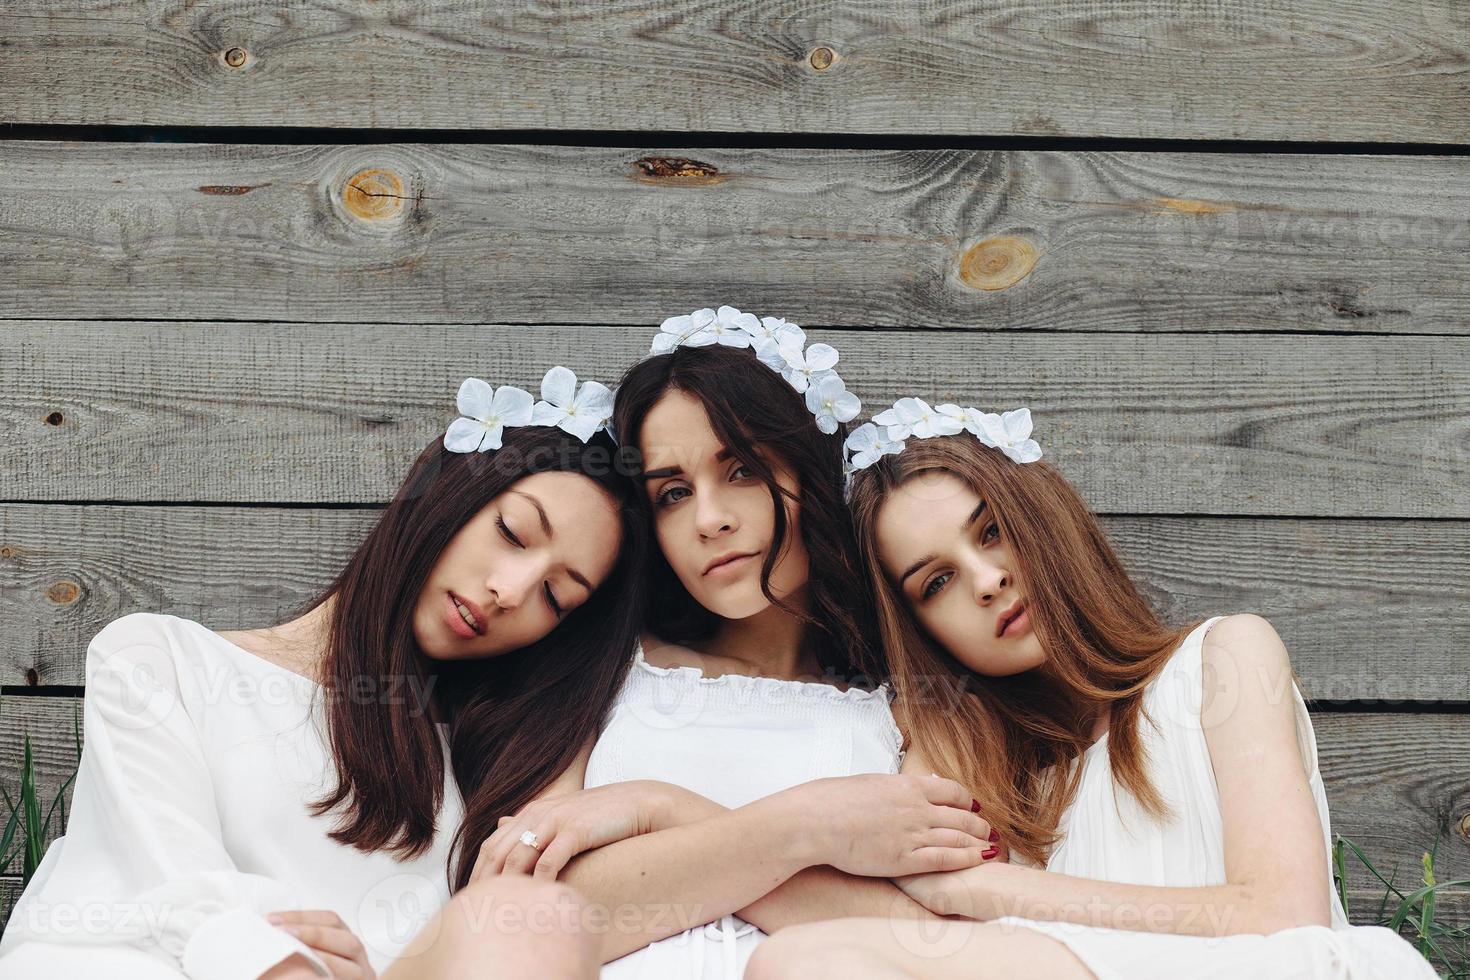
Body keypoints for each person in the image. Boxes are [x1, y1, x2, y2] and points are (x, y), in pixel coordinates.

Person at [740, 398, 1439, 978]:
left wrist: (992, 891)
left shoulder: (1222, 661)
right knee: (800, 962)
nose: (987, 583)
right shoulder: (1000, 783)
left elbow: (1284, 922)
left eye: (992, 532)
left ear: (1041, 514)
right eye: (937, 582)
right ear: (925, 633)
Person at [0, 366, 649, 980]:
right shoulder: (162, 661)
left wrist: (656, 803)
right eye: (511, 532)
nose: (511, 591)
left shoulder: (490, 783)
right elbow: (174, 888)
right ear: (448, 491)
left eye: (557, 598)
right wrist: (284, 965)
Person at [470, 307, 999, 980]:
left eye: (743, 469)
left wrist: (657, 813)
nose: (710, 520)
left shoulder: (915, 707)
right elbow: (524, 921)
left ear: (808, 473)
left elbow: (938, 953)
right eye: (672, 493)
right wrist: (804, 830)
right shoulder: (601, 670)